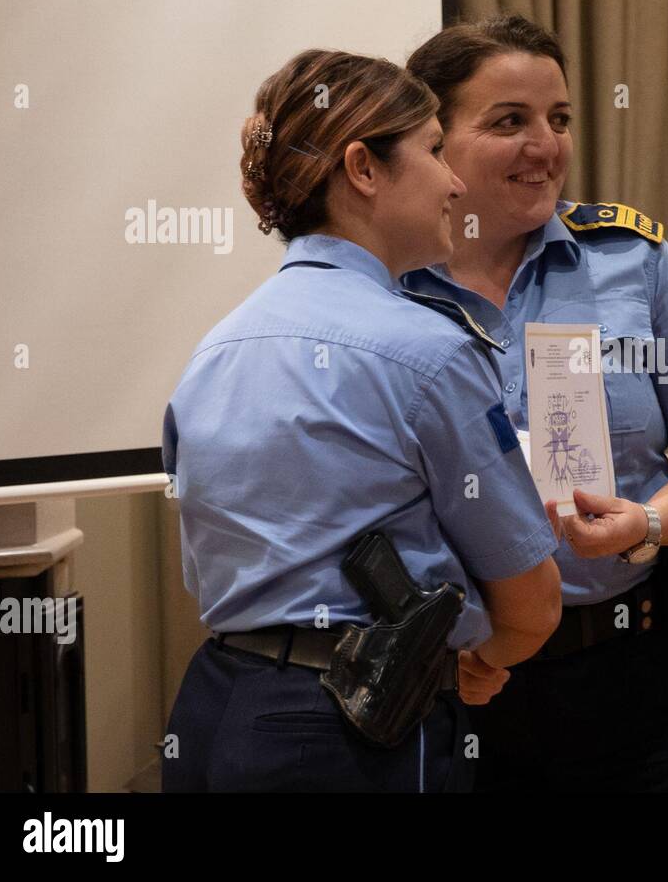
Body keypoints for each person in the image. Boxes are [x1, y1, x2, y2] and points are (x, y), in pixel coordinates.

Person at [161, 49, 562, 792]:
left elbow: (215, 570)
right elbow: (531, 602)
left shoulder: (214, 352)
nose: (454, 180)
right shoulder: (428, 354)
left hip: (215, 709)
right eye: (436, 151)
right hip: (353, 731)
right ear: (364, 169)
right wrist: (480, 657)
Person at [405, 15, 668, 791]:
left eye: (558, 119)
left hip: (643, 680)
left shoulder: (631, 261)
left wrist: (652, 523)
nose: (547, 146)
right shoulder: (384, 294)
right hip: (456, 692)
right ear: (435, 139)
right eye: (510, 122)